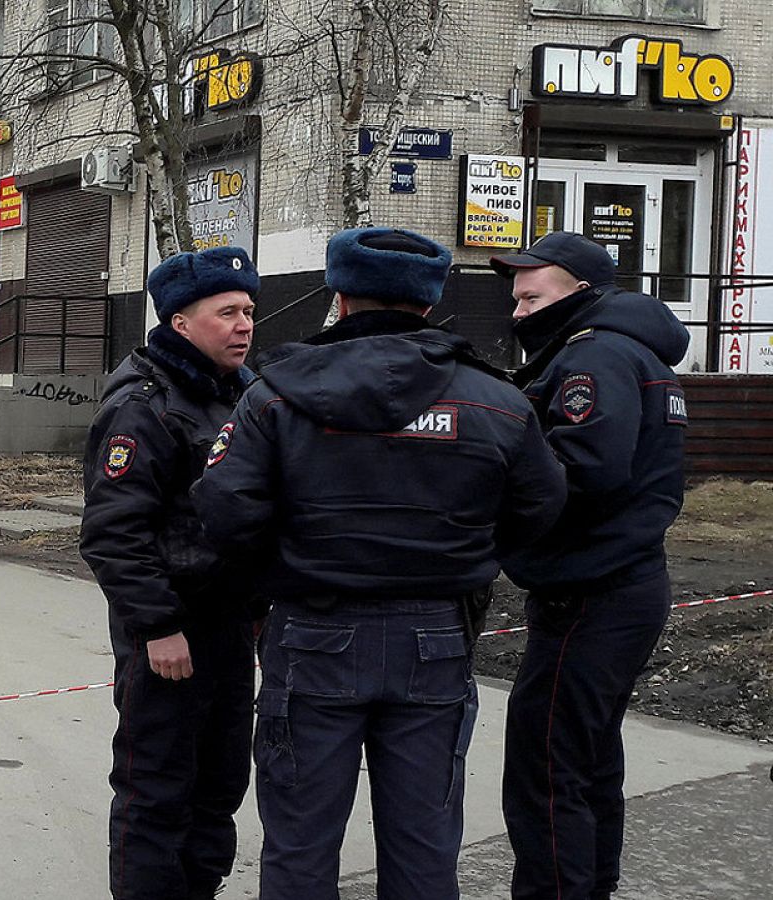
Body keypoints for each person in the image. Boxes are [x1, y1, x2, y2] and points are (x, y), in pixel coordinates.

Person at [193, 228, 566, 900]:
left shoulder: (275, 395)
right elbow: (541, 507)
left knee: (300, 848)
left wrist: (284, 569)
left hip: (312, 634)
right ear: (430, 300)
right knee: (423, 851)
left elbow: (224, 510)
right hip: (435, 637)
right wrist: (466, 555)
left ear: (338, 294)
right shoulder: (497, 400)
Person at [490, 231, 691, 900]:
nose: (518, 313)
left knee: (546, 772)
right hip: (619, 585)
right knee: (588, 764)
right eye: (515, 300)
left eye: (531, 297)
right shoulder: (629, 351)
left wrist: (490, 500)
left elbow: (582, 472)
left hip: (591, 595)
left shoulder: (596, 356)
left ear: (581, 291)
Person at [80, 244, 262, 900]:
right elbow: (112, 532)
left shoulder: (241, 394)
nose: (244, 324)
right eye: (227, 313)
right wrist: (158, 624)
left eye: (248, 311)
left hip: (229, 626)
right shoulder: (145, 405)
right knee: (156, 789)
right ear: (180, 323)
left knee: (217, 787)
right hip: (168, 634)